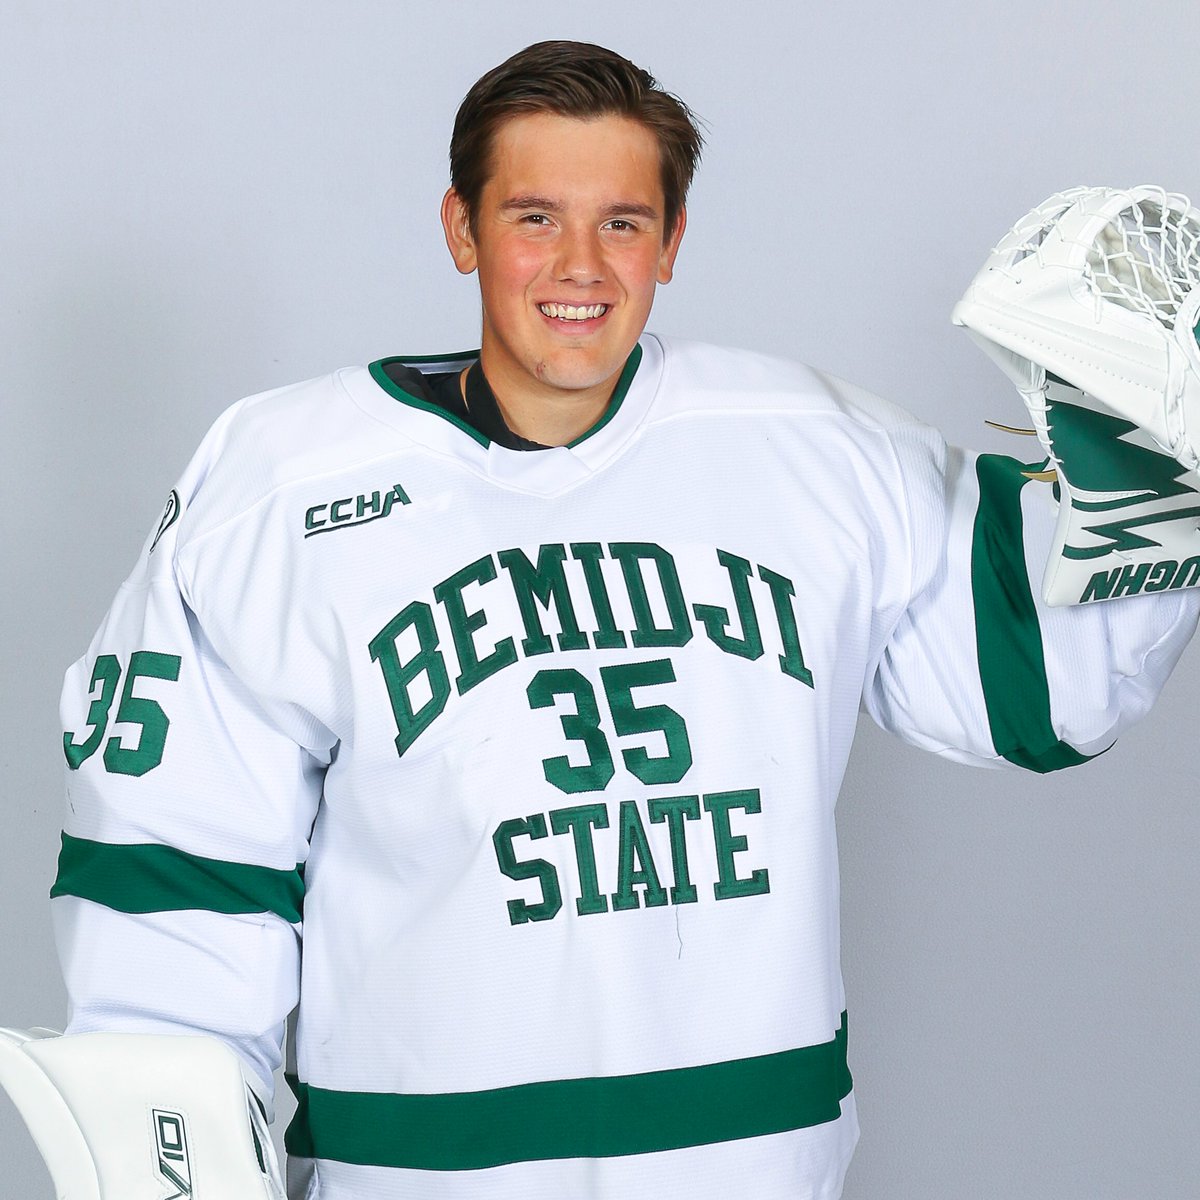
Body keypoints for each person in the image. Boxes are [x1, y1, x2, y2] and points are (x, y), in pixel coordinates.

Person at [35, 40, 1199, 1200]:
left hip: (751, 1165)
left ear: (673, 241)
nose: (580, 265)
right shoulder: (283, 485)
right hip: (426, 1176)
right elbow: (180, 874)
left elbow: (1040, 684)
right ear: (461, 228)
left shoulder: (814, 447)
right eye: (534, 216)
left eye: (625, 222)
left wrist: (1143, 473)